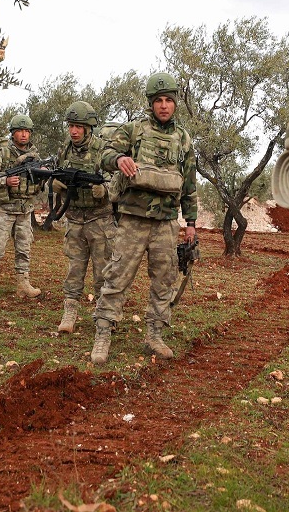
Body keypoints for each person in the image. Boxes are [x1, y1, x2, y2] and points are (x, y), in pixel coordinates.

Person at [89, 72, 198, 365]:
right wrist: (118, 159)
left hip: (165, 223)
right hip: (132, 219)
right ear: (151, 103)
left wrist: (190, 223)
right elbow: (105, 153)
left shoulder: (184, 139)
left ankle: (154, 335)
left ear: (175, 104)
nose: (164, 106)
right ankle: (103, 332)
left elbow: (189, 184)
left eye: (169, 100)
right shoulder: (133, 129)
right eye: (158, 101)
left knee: (164, 279)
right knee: (117, 276)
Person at [55, 101, 114, 333]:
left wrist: (106, 191)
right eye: (71, 126)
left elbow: (119, 182)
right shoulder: (65, 151)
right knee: (74, 270)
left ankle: (105, 316)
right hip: (75, 219)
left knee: (103, 272)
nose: (74, 131)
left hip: (100, 220)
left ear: (89, 127)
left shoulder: (104, 151)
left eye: (78, 126)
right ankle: (69, 312)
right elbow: (55, 174)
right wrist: (55, 185)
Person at [0, 114, 44, 302]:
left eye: (26, 131)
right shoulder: (2, 153)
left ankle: (23, 284)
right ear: (13, 133)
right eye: (19, 131)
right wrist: (5, 181)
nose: (23, 135)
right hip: (4, 210)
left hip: (25, 211)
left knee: (24, 249)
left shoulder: (35, 156)